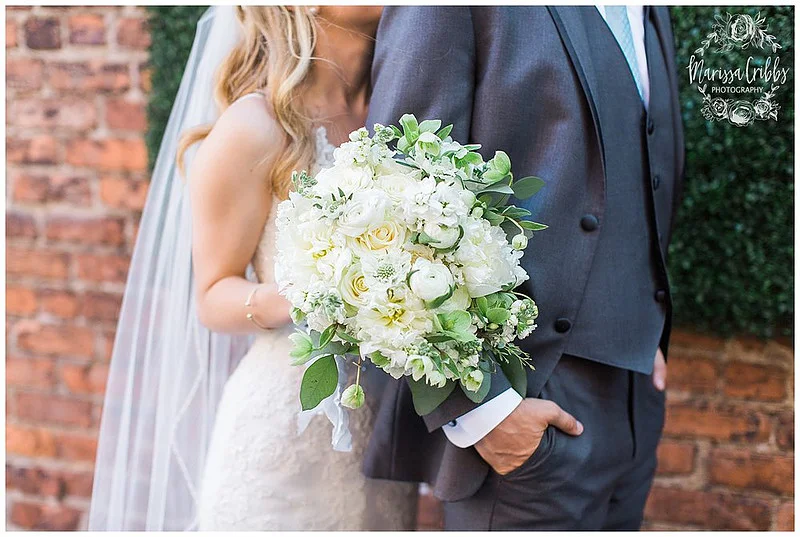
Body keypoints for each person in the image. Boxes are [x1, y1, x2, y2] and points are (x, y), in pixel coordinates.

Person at [89, 6, 417, 531]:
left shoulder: (404, 115)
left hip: (380, 443)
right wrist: (312, 293)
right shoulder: (256, 126)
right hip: (283, 444)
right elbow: (211, 295)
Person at [364, 6, 685, 530]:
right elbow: (393, 191)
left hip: (635, 403)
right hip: (521, 406)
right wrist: (483, 410)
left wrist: (645, 331)